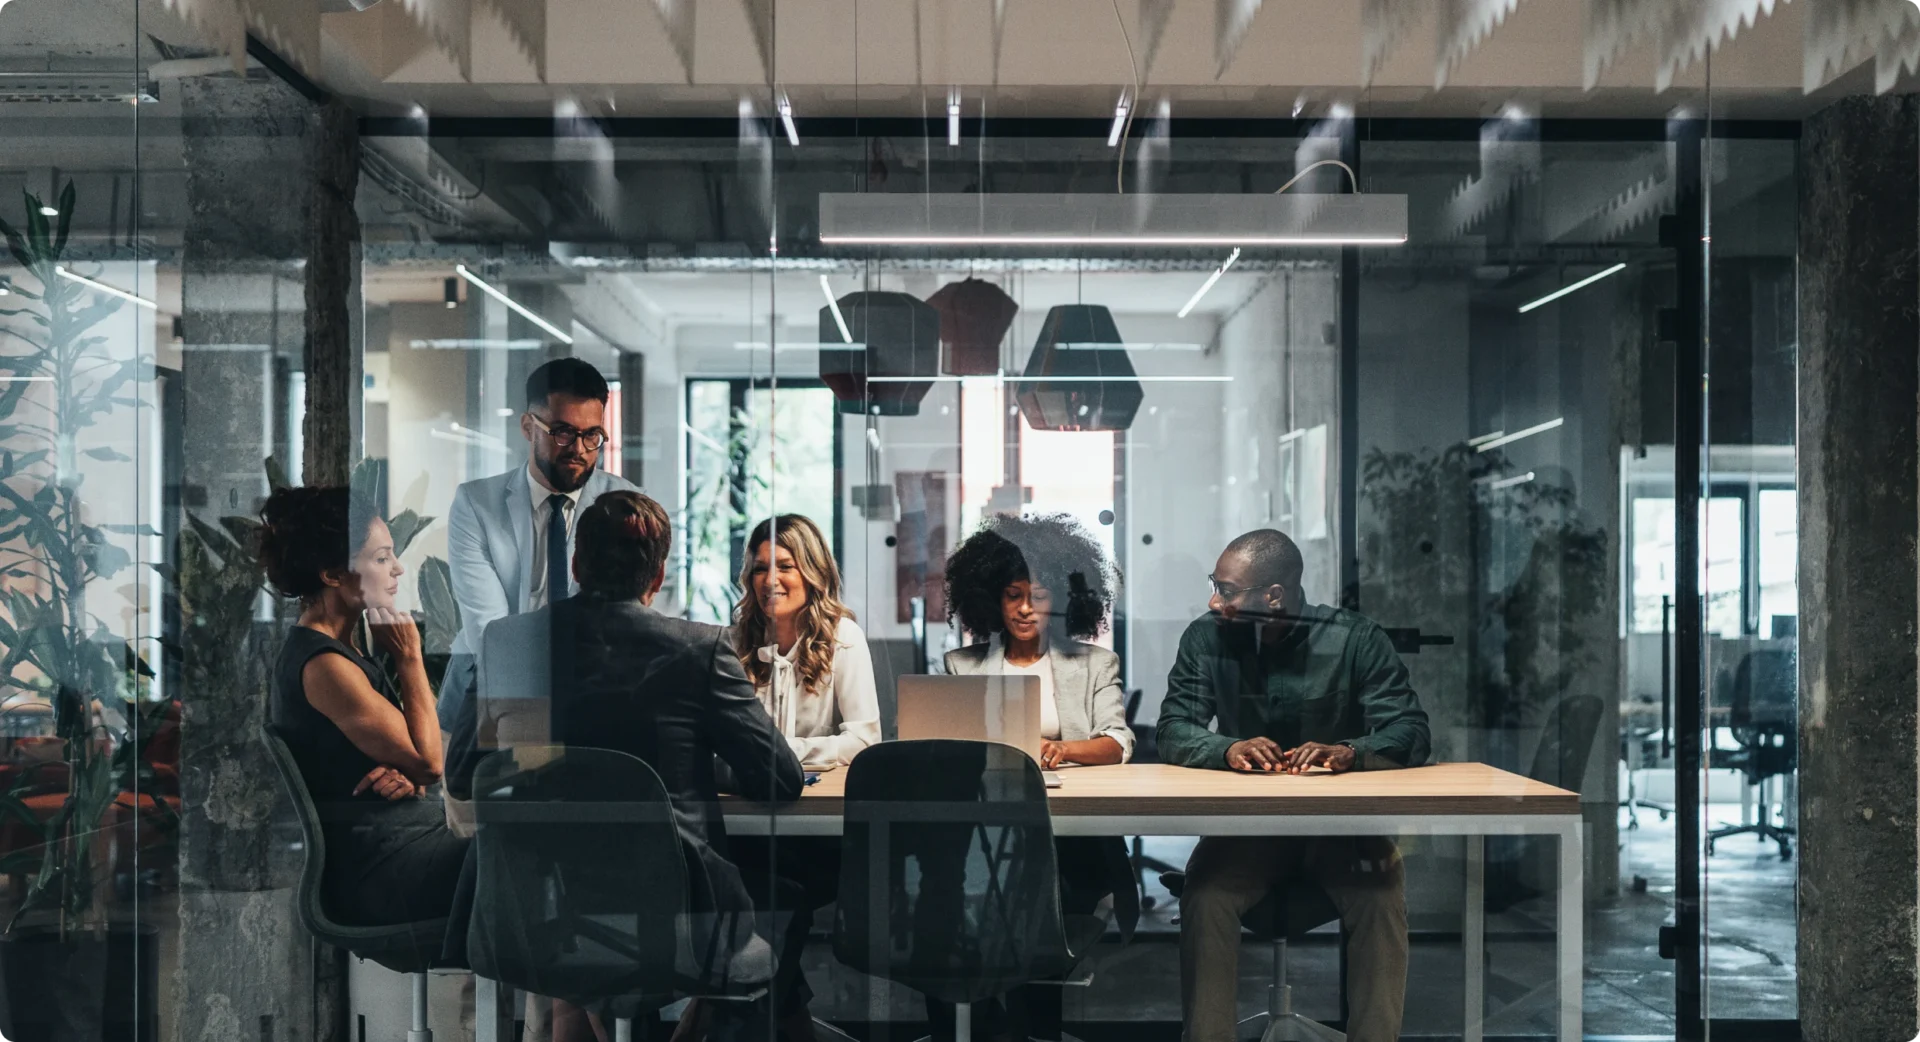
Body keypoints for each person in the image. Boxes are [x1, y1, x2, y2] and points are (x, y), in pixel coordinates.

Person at [480, 490, 809, 1041]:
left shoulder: (510, 640)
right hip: (678, 914)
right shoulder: (697, 649)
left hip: (547, 905)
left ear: (577, 565)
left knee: (588, 928)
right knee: (787, 897)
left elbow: (479, 772)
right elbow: (780, 779)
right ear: (656, 576)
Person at [1156, 529, 1432, 1042]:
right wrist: (1227, 748)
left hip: (1342, 830)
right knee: (1207, 896)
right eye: (1214, 585)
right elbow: (1173, 728)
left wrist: (1351, 751)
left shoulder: (1355, 639)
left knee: (1381, 893)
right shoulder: (1206, 637)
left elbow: (1411, 730)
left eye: (1228, 590)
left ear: (1274, 597)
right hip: (1248, 830)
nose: (1214, 601)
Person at [934, 512, 1140, 1042]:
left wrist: (1060, 749)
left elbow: (1118, 742)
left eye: (1039, 594)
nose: (1026, 608)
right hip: (983, 824)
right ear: (992, 600)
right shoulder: (962, 665)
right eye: (1012, 594)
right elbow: (938, 744)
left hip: (1062, 829)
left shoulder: (1094, 663)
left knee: (1039, 900)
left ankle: (1031, 1025)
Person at [260, 486, 468, 932]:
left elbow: (416, 764)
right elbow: (432, 763)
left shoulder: (342, 650)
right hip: (382, 871)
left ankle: (579, 1001)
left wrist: (407, 774)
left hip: (407, 844)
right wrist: (410, 657)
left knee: (530, 855)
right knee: (522, 852)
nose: (397, 568)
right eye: (380, 558)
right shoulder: (325, 666)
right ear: (334, 573)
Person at [441, 357, 639, 799]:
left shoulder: (625, 504)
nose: (580, 449)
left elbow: (617, 624)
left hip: (584, 710)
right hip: (486, 705)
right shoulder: (476, 504)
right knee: (488, 846)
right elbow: (490, 634)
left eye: (593, 435)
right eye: (563, 432)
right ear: (528, 426)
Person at [732, 514, 881, 767]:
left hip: (820, 798)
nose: (769, 580)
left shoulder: (843, 637)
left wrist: (784, 750)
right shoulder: (734, 643)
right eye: (759, 569)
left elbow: (864, 741)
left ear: (813, 572)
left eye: (785, 566)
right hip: (743, 797)